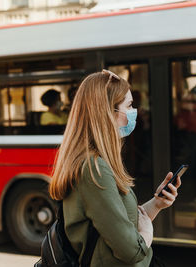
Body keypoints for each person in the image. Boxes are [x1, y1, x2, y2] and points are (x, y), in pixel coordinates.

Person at [49, 70, 181, 267]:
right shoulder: (95, 169)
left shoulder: (95, 163)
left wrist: (157, 203)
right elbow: (131, 250)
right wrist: (147, 234)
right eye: (129, 105)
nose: (135, 111)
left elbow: (119, 223)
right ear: (108, 113)